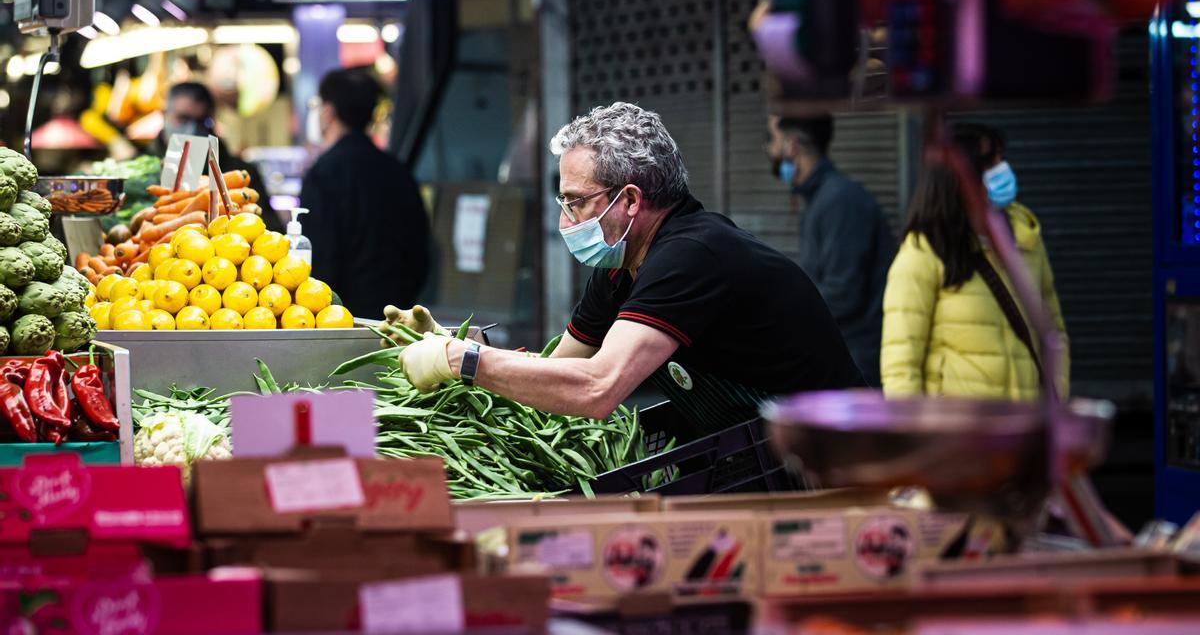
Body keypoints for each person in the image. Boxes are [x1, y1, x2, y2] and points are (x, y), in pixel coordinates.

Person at [386, 102, 864, 433]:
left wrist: (463, 362)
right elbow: (559, 374)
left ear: (630, 200)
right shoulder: (620, 269)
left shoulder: (692, 255)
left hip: (827, 459)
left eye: (575, 203)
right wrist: (466, 342)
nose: (563, 221)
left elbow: (596, 389)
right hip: (759, 450)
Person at [880, 123, 1069, 399]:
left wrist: (1056, 404)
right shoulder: (924, 251)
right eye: (990, 163)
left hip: (1021, 428)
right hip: (959, 432)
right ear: (958, 177)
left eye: (1002, 159)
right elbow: (901, 364)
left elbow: (1054, 335)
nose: (1002, 170)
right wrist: (916, 435)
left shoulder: (1025, 238)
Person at [768, 114, 895, 386]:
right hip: (845, 357)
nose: (770, 150)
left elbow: (842, 295)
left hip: (860, 365)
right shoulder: (821, 198)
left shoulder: (839, 201)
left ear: (791, 146)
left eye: (773, 140)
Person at [300, 69, 430, 316]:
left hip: (340, 321)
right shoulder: (398, 171)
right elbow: (420, 251)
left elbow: (319, 258)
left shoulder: (323, 174)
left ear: (328, 112)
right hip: (397, 316)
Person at [153, 82, 284, 234]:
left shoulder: (241, 174)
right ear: (164, 115)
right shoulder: (141, 171)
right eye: (183, 119)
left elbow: (270, 230)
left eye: (201, 122)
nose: (191, 129)